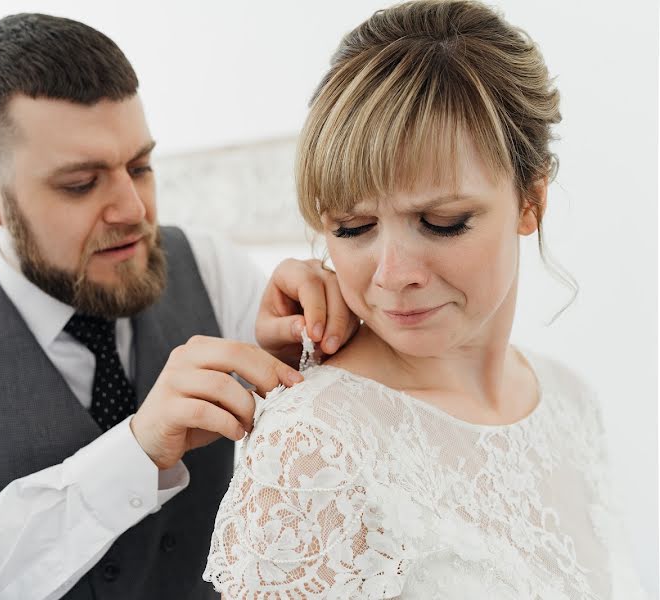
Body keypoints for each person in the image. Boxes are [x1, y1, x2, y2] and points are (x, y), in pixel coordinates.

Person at [0, 13, 357, 600]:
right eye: (81, 184)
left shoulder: (208, 265)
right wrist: (133, 455)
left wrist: (317, 357)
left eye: (140, 167)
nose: (133, 208)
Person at [203, 1, 647, 598]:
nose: (391, 275)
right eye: (353, 228)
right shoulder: (315, 446)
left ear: (530, 200)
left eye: (442, 222)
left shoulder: (570, 403)